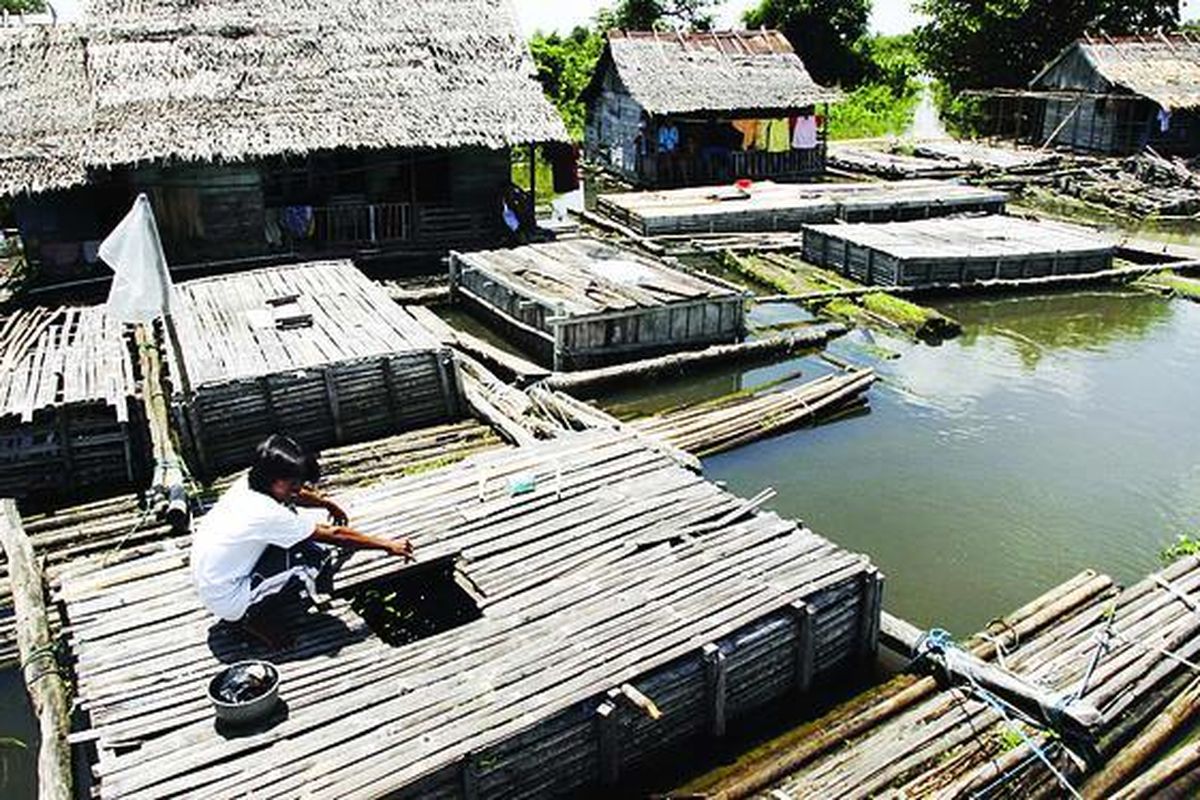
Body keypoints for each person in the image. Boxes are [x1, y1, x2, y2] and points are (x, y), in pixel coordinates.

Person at [190, 434, 413, 649]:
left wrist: (326, 503)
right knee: (315, 557)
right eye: (293, 485)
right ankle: (254, 618)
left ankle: (264, 598)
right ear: (275, 480)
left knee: (294, 522)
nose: (297, 490)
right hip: (228, 598)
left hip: (214, 578)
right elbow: (333, 535)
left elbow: (298, 495)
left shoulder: (250, 482)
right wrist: (387, 545)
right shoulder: (265, 512)